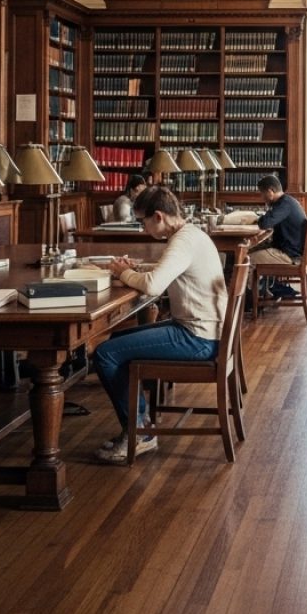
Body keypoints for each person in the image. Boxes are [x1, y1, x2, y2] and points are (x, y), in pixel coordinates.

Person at [95, 186, 228, 464]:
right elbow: (163, 272)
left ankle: (141, 433)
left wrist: (126, 273)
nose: (143, 228)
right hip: (204, 332)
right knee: (112, 345)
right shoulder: (190, 235)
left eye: (143, 221)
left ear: (158, 216)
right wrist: (134, 270)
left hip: (197, 339)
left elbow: (154, 287)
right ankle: (140, 425)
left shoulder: (182, 241)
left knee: (106, 353)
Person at [249, 175, 307, 299]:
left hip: (290, 255)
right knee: (252, 250)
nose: (262, 197)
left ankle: (250, 299)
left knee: (246, 259)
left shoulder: (284, 204)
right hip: (292, 250)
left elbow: (265, 223)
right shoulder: (288, 201)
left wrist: (261, 218)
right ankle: (269, 289)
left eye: (262, 193)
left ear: (270, 191)